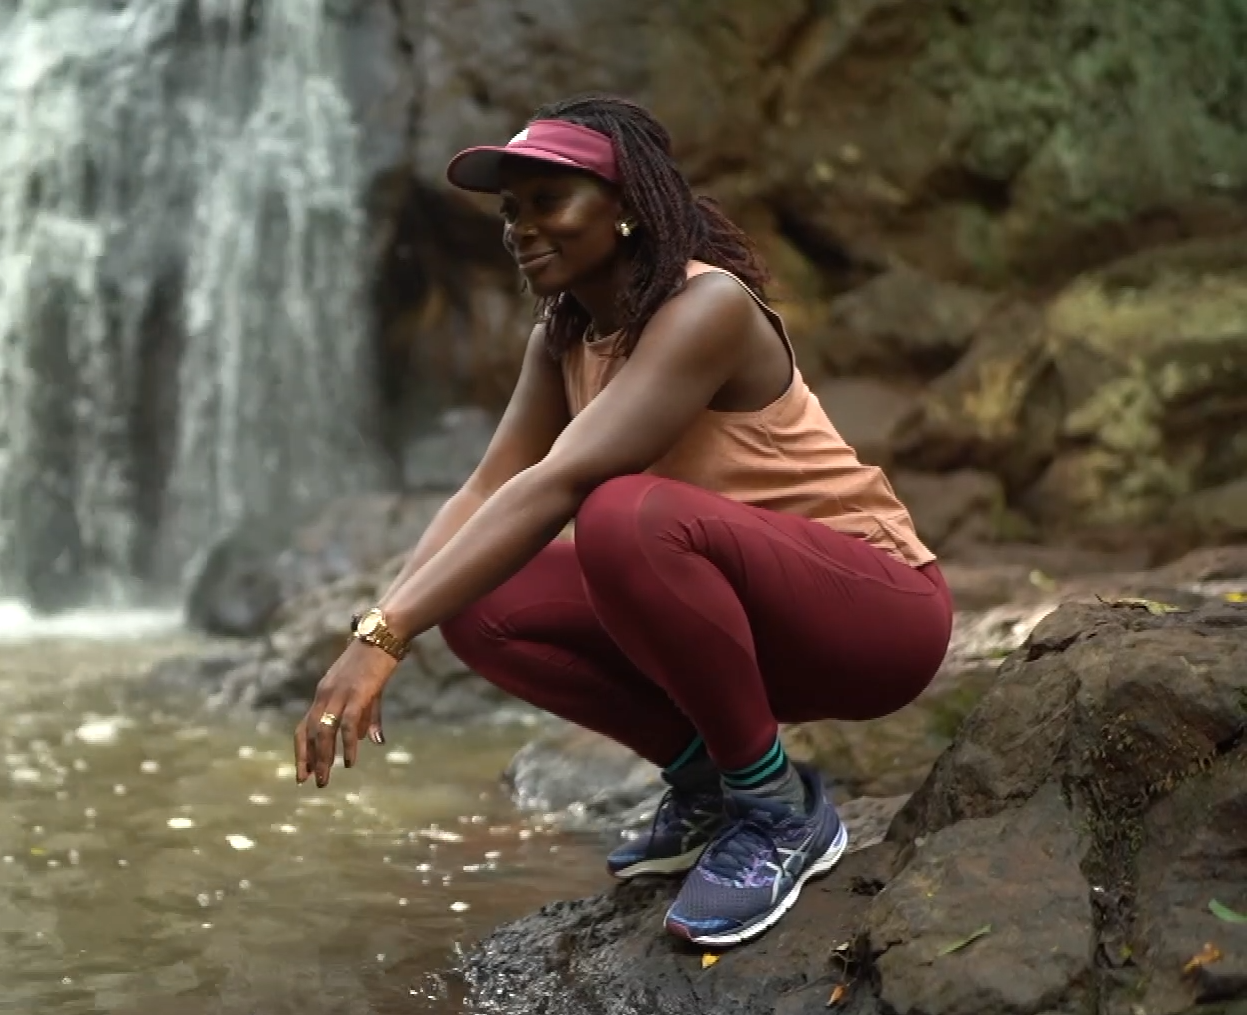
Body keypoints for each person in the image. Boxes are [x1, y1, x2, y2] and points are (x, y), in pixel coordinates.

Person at [293, 93, 953, 948]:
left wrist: (383, 641)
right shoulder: (562, 335)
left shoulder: (707, 306)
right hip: (739, 632)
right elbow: (487, 489)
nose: (521, 228)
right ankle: (710, 787)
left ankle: (778, 812)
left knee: (622, 513)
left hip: (875, 615)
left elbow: (564, 477)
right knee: (480, 598)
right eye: (510, 211)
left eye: (549, 202)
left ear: (630, 209)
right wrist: (380, 625)